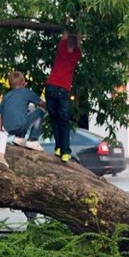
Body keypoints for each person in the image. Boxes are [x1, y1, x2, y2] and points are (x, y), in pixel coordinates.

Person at [45, 22, 82, 163]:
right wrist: (80, 30)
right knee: (64, 121)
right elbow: (79, 40)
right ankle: (65, 151)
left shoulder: (61, 49)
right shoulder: (75, 56)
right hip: (63, 90)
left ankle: (58, 148)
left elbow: (64, 34)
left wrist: (66, 22)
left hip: (50, 86)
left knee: (54, 119)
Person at [0, 71, 45, 151]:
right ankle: (33, 140)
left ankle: (19, 138)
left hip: (8, 128)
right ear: (23, 83)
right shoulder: (26, 92)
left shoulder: (6, 96)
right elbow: (42, 104)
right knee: (39, 112)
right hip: (20, 125)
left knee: (25, 113)